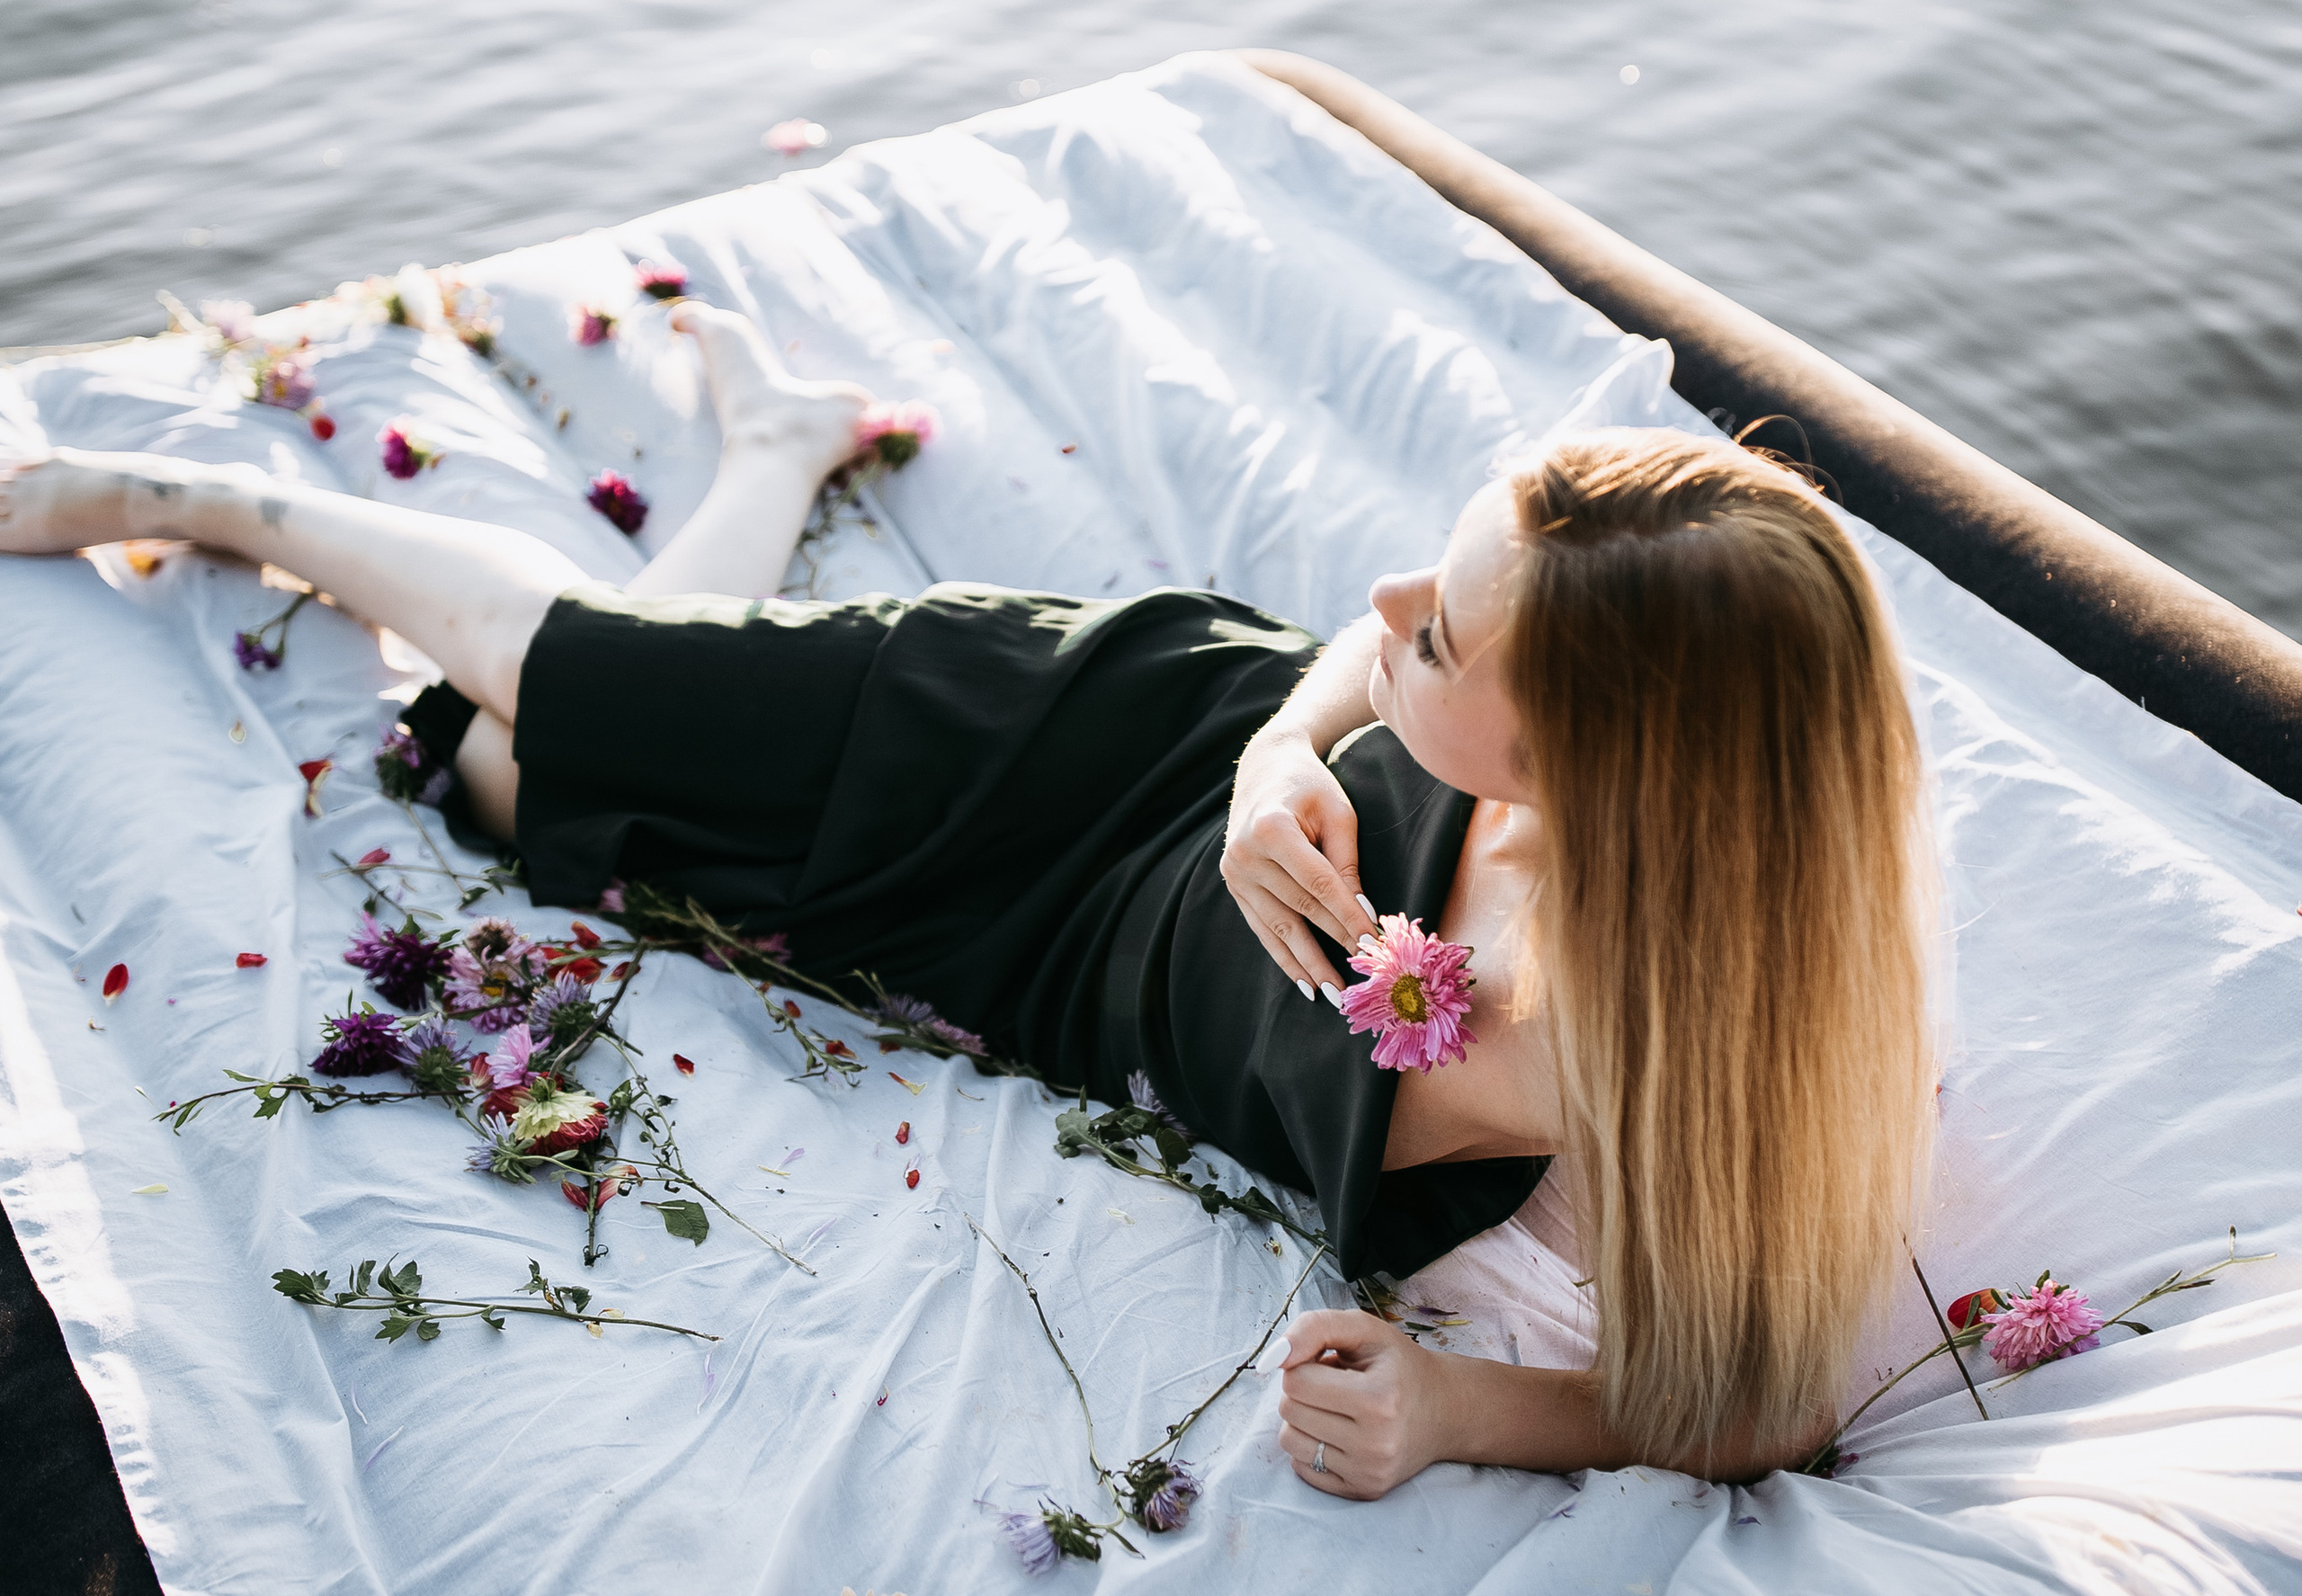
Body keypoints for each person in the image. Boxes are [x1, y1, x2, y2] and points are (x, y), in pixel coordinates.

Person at [0, 308, 1936, 1490]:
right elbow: (1347, 652)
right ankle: (195, 500)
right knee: (584, 689)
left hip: (1056, 963)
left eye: (1443, 639)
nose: (1388, 609)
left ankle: (775, 455)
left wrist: (1450, 1410)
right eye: (1438, 577)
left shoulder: (1665, 1047)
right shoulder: (1500, 684)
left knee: (505, 781)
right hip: (1103, 728)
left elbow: (1749, 1407)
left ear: (1603, 774)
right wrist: (1281, 751)